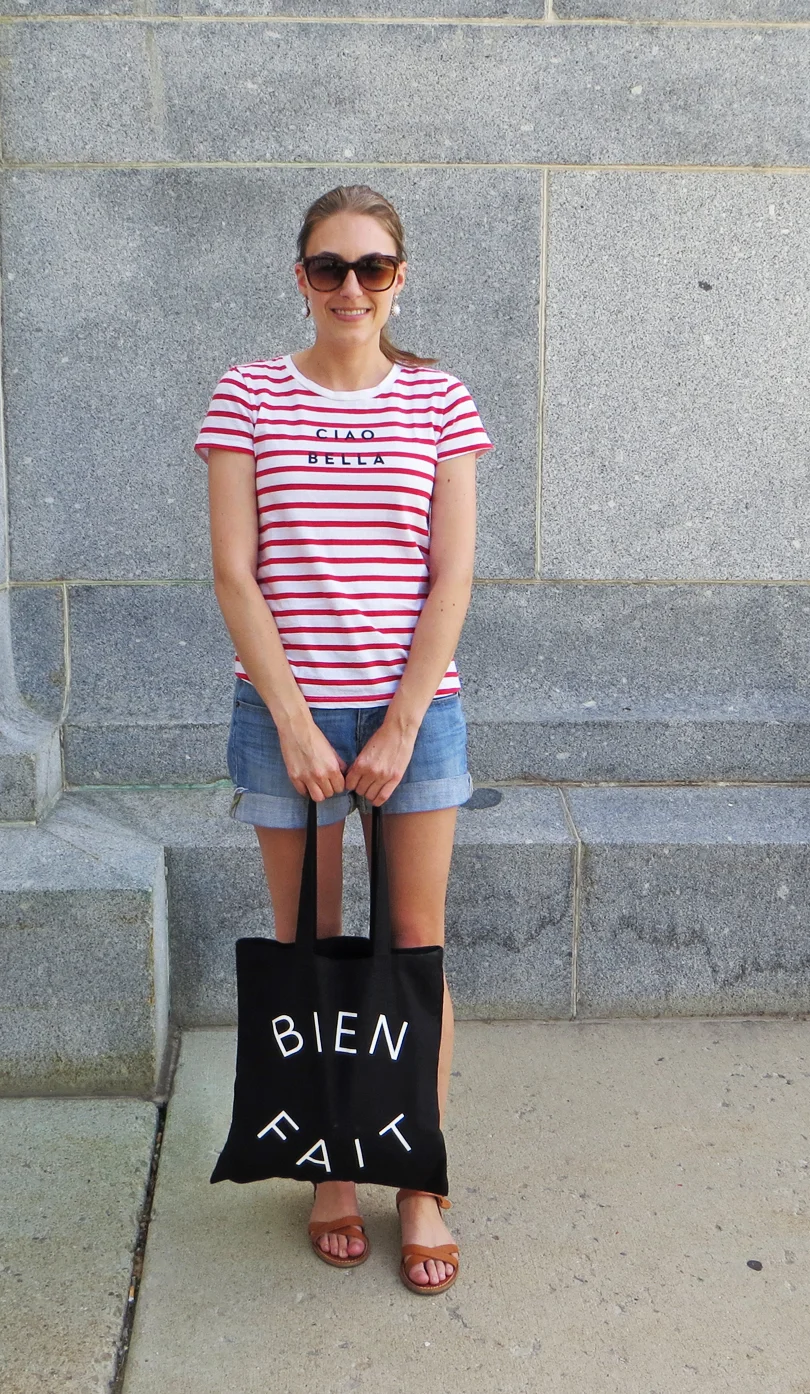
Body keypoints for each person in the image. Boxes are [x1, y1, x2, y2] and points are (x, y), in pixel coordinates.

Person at [194, 184, 493, 1294]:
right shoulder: (248, 396)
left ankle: (415, 1172)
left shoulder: (442, 401)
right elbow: (235, 571)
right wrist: (295, 723)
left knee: (414, 950)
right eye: (330, 267)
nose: (352, 287)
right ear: (300, 277)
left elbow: (450, 574)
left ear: (400, 277)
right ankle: (327, 1159)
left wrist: (404, 720)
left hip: (420, 710)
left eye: (373, 267)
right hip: (285, 718)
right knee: (310, 945)